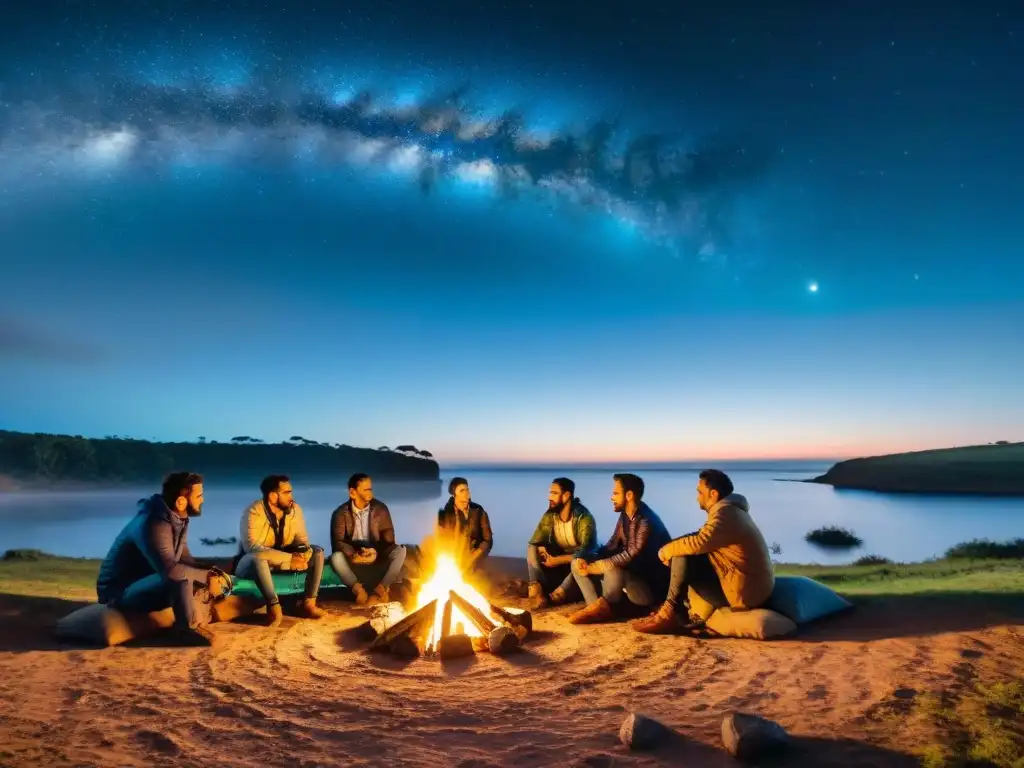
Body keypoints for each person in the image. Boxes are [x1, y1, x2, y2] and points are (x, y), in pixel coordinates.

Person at [632, 469, 776, 634]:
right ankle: (676, 610)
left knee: (682, 556)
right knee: (682, 552)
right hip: (746, 587)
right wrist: (671, 546)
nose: (697, 497)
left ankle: (670, 613)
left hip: (743, 595)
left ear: (713, 494)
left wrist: (665, 551)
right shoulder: (729, 512)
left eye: (700, 492)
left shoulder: (726, 515)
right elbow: (701, 535)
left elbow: (699, 542)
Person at [96, 472, 231, 645]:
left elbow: (185, 559)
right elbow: (172, 570)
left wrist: (213, 572)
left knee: (193, 578)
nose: (202, 500)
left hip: (149, 581)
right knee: (180, 576)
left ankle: (192, 617)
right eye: (199, 496)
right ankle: (186, 629)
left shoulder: (177, 518)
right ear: (181, 501)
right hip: (118, 592)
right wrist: (206, 578)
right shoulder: (154, 522)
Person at [567, 473, 672, 625]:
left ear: (629, 495)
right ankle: (597, 607)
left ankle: (604, 608)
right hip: (630, 582)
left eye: (615, 493)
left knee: (613, 570)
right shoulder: (626, 516)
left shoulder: (645, 520)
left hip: (649, 591)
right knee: (577, 563)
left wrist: (595, 567)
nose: (611, 497)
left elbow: (630, 555)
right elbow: (611, 545)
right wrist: (587, 558)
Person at [235, 475, 326, 627]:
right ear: (272, 496)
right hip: (252, 564)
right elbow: (253, 549)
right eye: (287, 492)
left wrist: (303, 554)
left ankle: (309, 603)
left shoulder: (295, 510)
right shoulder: (253, 512)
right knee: (257, 559)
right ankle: (273, 607)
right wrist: (290, 559)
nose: (291, 497)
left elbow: (302, 541)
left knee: (317, 552)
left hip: (284, 560)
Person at [329, 473, 407, 606]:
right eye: (366, 489)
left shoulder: (381, 509)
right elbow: (338, 543)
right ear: (353, 492)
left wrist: (374, 552)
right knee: (335, 558)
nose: (370, 492)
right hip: (353, 561)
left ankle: (381, 589)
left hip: (376, 558)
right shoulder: (340, 513)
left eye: (370, 488)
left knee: (401, 551)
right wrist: (354, 554)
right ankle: (358, 590)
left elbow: (389, 541)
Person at [526, 477, 598, 609]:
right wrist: (541, 548)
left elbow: (588, 549)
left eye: (554, 493)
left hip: (576, 567)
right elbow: (537, 538)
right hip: (557, 565)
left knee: (583, 558)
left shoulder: (583, 517)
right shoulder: (551, 514)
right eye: (550, 493)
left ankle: (559, 594)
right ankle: (537, 590)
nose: (549, 497)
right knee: (532, 547)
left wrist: (557, 560)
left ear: (566, 495)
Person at [437, 476, 493, 571]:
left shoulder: (478, 511)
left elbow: (488, 540)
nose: (466, 493)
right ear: (454, 494)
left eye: (467, 489)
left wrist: (475, 555)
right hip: (454, 560)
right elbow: (441, 543)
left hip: (475, 559)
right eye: (462, 490)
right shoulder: (445, 515)